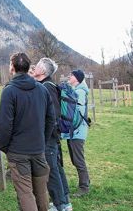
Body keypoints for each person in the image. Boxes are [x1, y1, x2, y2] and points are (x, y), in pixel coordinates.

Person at [0, 53, 55, 211]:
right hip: (38, 150)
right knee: (41, 191)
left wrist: (5, 147)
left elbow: (5, 125)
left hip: (18, 152)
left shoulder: (9, 91)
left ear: (12, 68)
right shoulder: (42, 89)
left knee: (25, 193)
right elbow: (51, 119)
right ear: (29, 67)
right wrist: (42, 141)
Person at [33, 58, 72, 211]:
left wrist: (44, 136)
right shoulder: (46, 85)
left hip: (49, 136)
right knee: (56, 167)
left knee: (51, 170)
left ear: (42, 71)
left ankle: (60, 205)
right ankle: (65, 201)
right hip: (52, 135)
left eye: (36, 67)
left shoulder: (47, 88)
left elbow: (53, 115)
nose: (33, 68)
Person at [62, 69, 90, 197]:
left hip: (77, 132)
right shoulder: (77, 90)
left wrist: (72, 128)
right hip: (73, 131)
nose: (69, 76)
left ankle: (84, 187)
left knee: (78, 160)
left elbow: (77, 113)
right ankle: (86, 181)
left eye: (71, 75)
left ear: (77, 78)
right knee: (75, 159)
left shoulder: (80, 92)